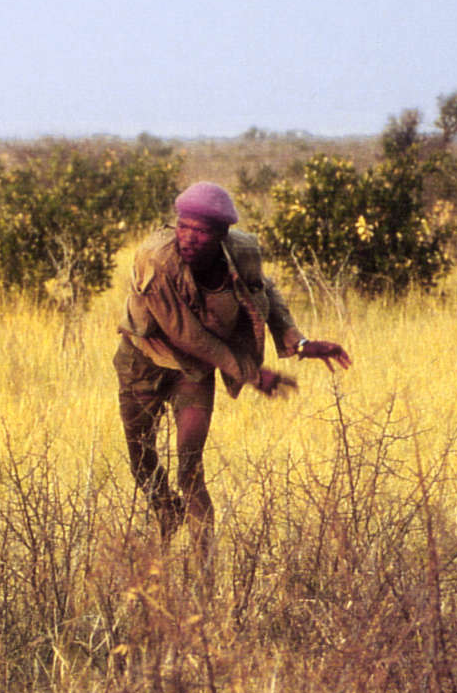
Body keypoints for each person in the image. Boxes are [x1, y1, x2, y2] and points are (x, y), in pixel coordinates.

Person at [114, 181, 351, 543]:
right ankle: (166, 509)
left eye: (201, 231)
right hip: (145, 358)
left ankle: (203, 572)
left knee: (190, 467)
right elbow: (185, 333)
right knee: (141, 459)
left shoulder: (241, 251)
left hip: (194, 369)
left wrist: (297, 341)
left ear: (222, 234)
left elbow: (262, 291)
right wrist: (250, 374)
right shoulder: (156, 258)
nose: (189, 238)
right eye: (183, 227)